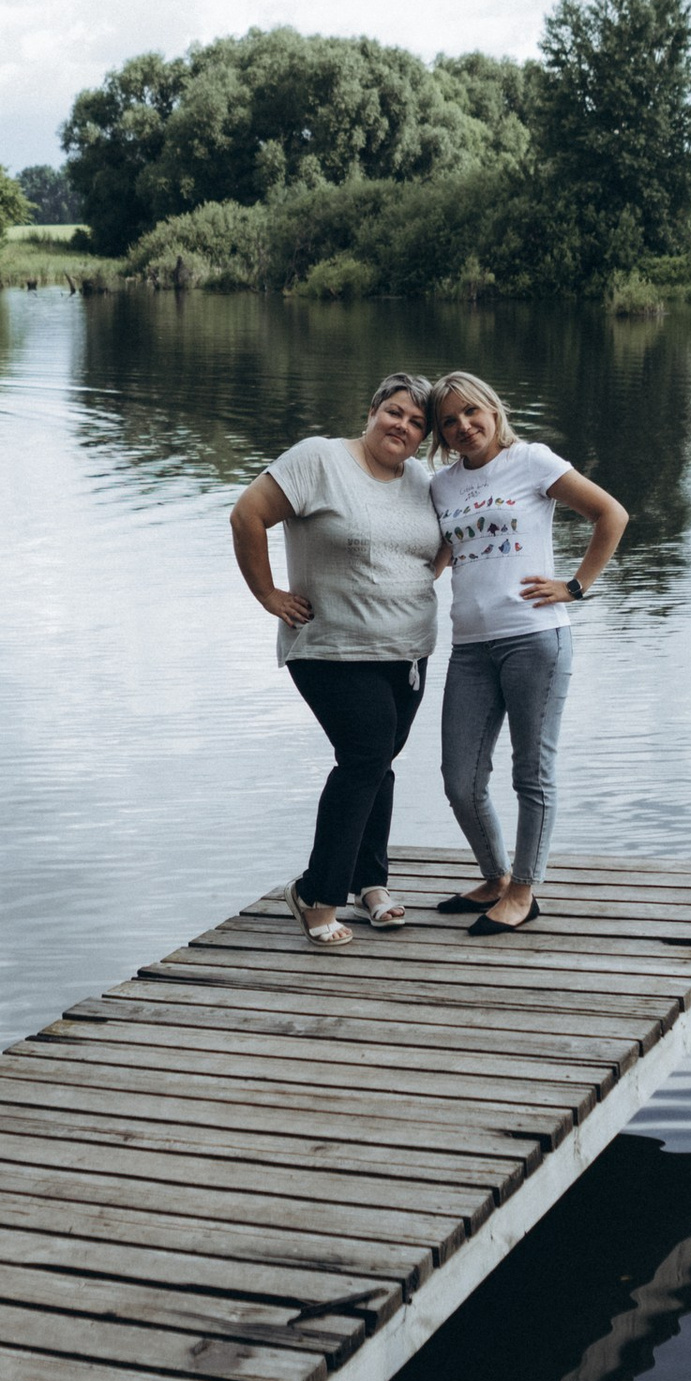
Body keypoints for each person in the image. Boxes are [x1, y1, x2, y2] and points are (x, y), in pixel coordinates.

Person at [230, 373, 442, 949]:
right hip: (330, 647)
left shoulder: (421, 480)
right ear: (371, 410)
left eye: (417, 422)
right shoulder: (319, 460)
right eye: (394, 412)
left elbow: (438, 546)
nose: (403, 426)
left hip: (408, 653)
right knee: (367, 754)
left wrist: (405, 592)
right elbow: (246, 514)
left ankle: (369, 882)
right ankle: (317, 894)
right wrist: (269, 595)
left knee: (380, 760)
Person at [428, 369, 629, 935]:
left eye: (472, 412)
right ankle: (493, 876)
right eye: (449, 421)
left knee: (530, 772)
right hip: (469, 645)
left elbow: (610, 515)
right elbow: (449, 545)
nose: (464, 426)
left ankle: (523, 887)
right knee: (458, 775)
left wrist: (576, 586)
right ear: (441, 435)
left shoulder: (533, 461)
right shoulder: (441, 485)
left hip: (534, 639)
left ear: (493, 410)